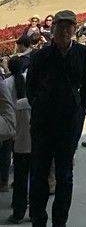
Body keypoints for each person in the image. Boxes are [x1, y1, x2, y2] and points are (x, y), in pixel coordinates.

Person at [26, 9, 86, 227]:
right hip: (43, 124)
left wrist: (78, 109)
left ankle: (60, 221)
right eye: (60, 26)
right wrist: (39, 105)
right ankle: (38, 219)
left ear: (74, 29)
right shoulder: (41, 56)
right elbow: (31, 88)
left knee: (65, 176)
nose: (64, 31)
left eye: (69, 27)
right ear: (52, 29)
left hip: (68, 125)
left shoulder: (82, 54)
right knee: (39, 174)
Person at [4, 53, 29, 223]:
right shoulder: (29, 80)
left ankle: (18, 211)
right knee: (36, 176)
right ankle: (34, 210)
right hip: (35, 140)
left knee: (19, 178)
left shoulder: (6, 83)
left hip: (17, 137)